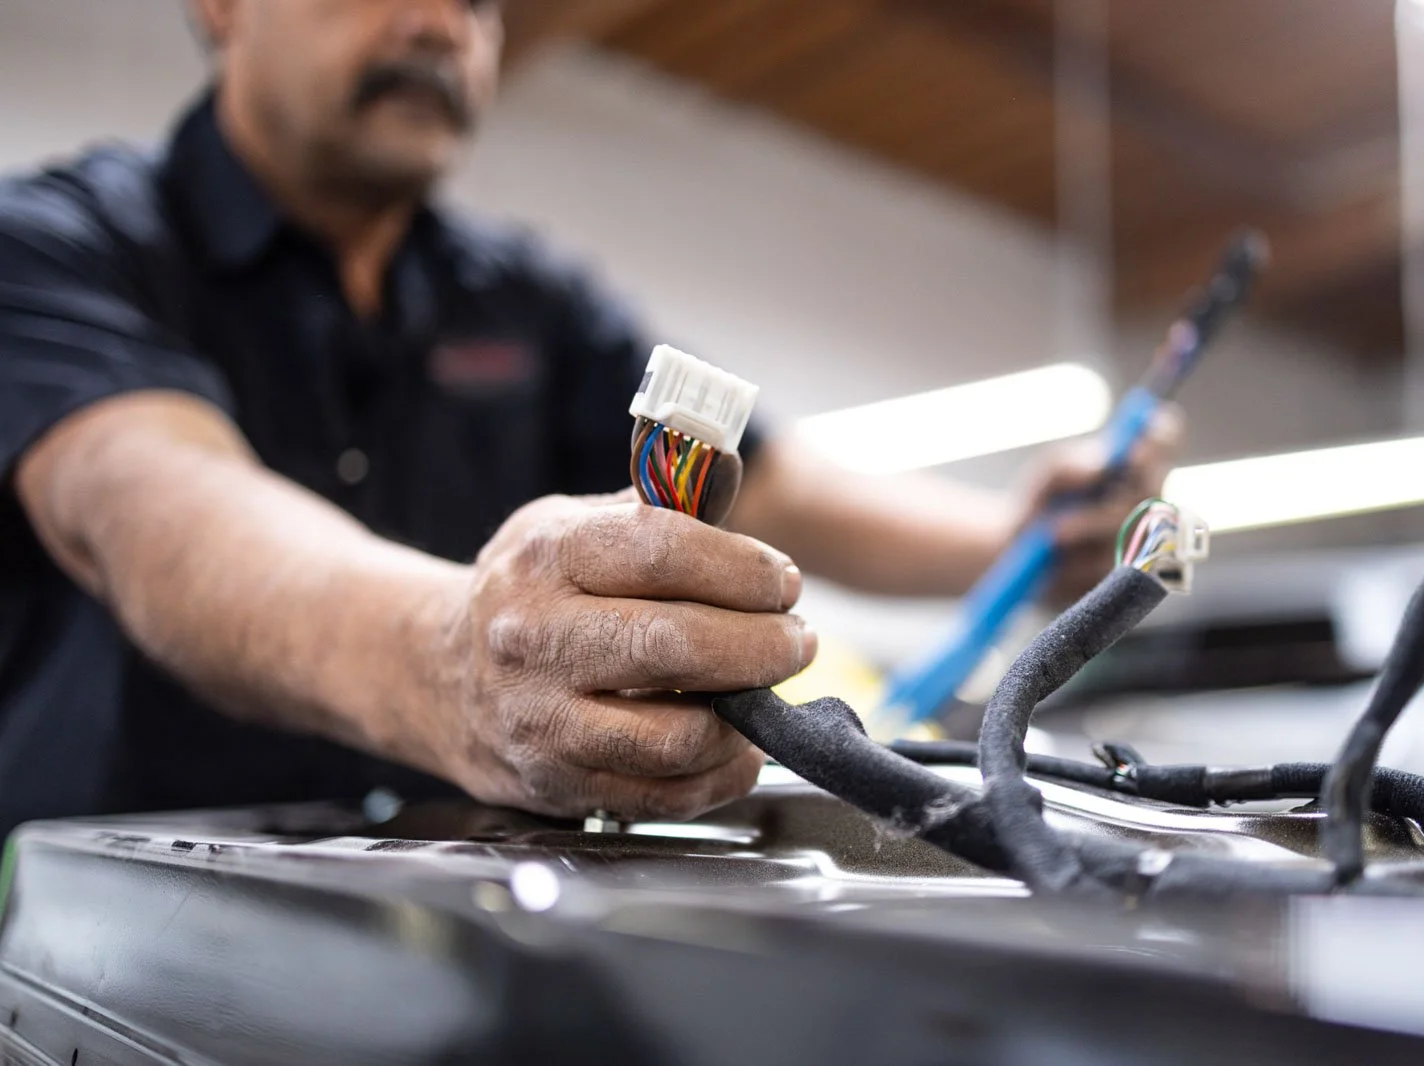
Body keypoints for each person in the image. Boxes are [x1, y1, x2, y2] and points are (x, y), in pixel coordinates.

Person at [0, 0, 1179, 835]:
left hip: (429, 938)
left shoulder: (527, 299)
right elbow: (157, 514)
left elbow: (770, 486)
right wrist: (453, 656)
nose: (437, 25)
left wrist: (1018, 544)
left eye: (477, 1)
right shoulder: (57, 250)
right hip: (99, 938)